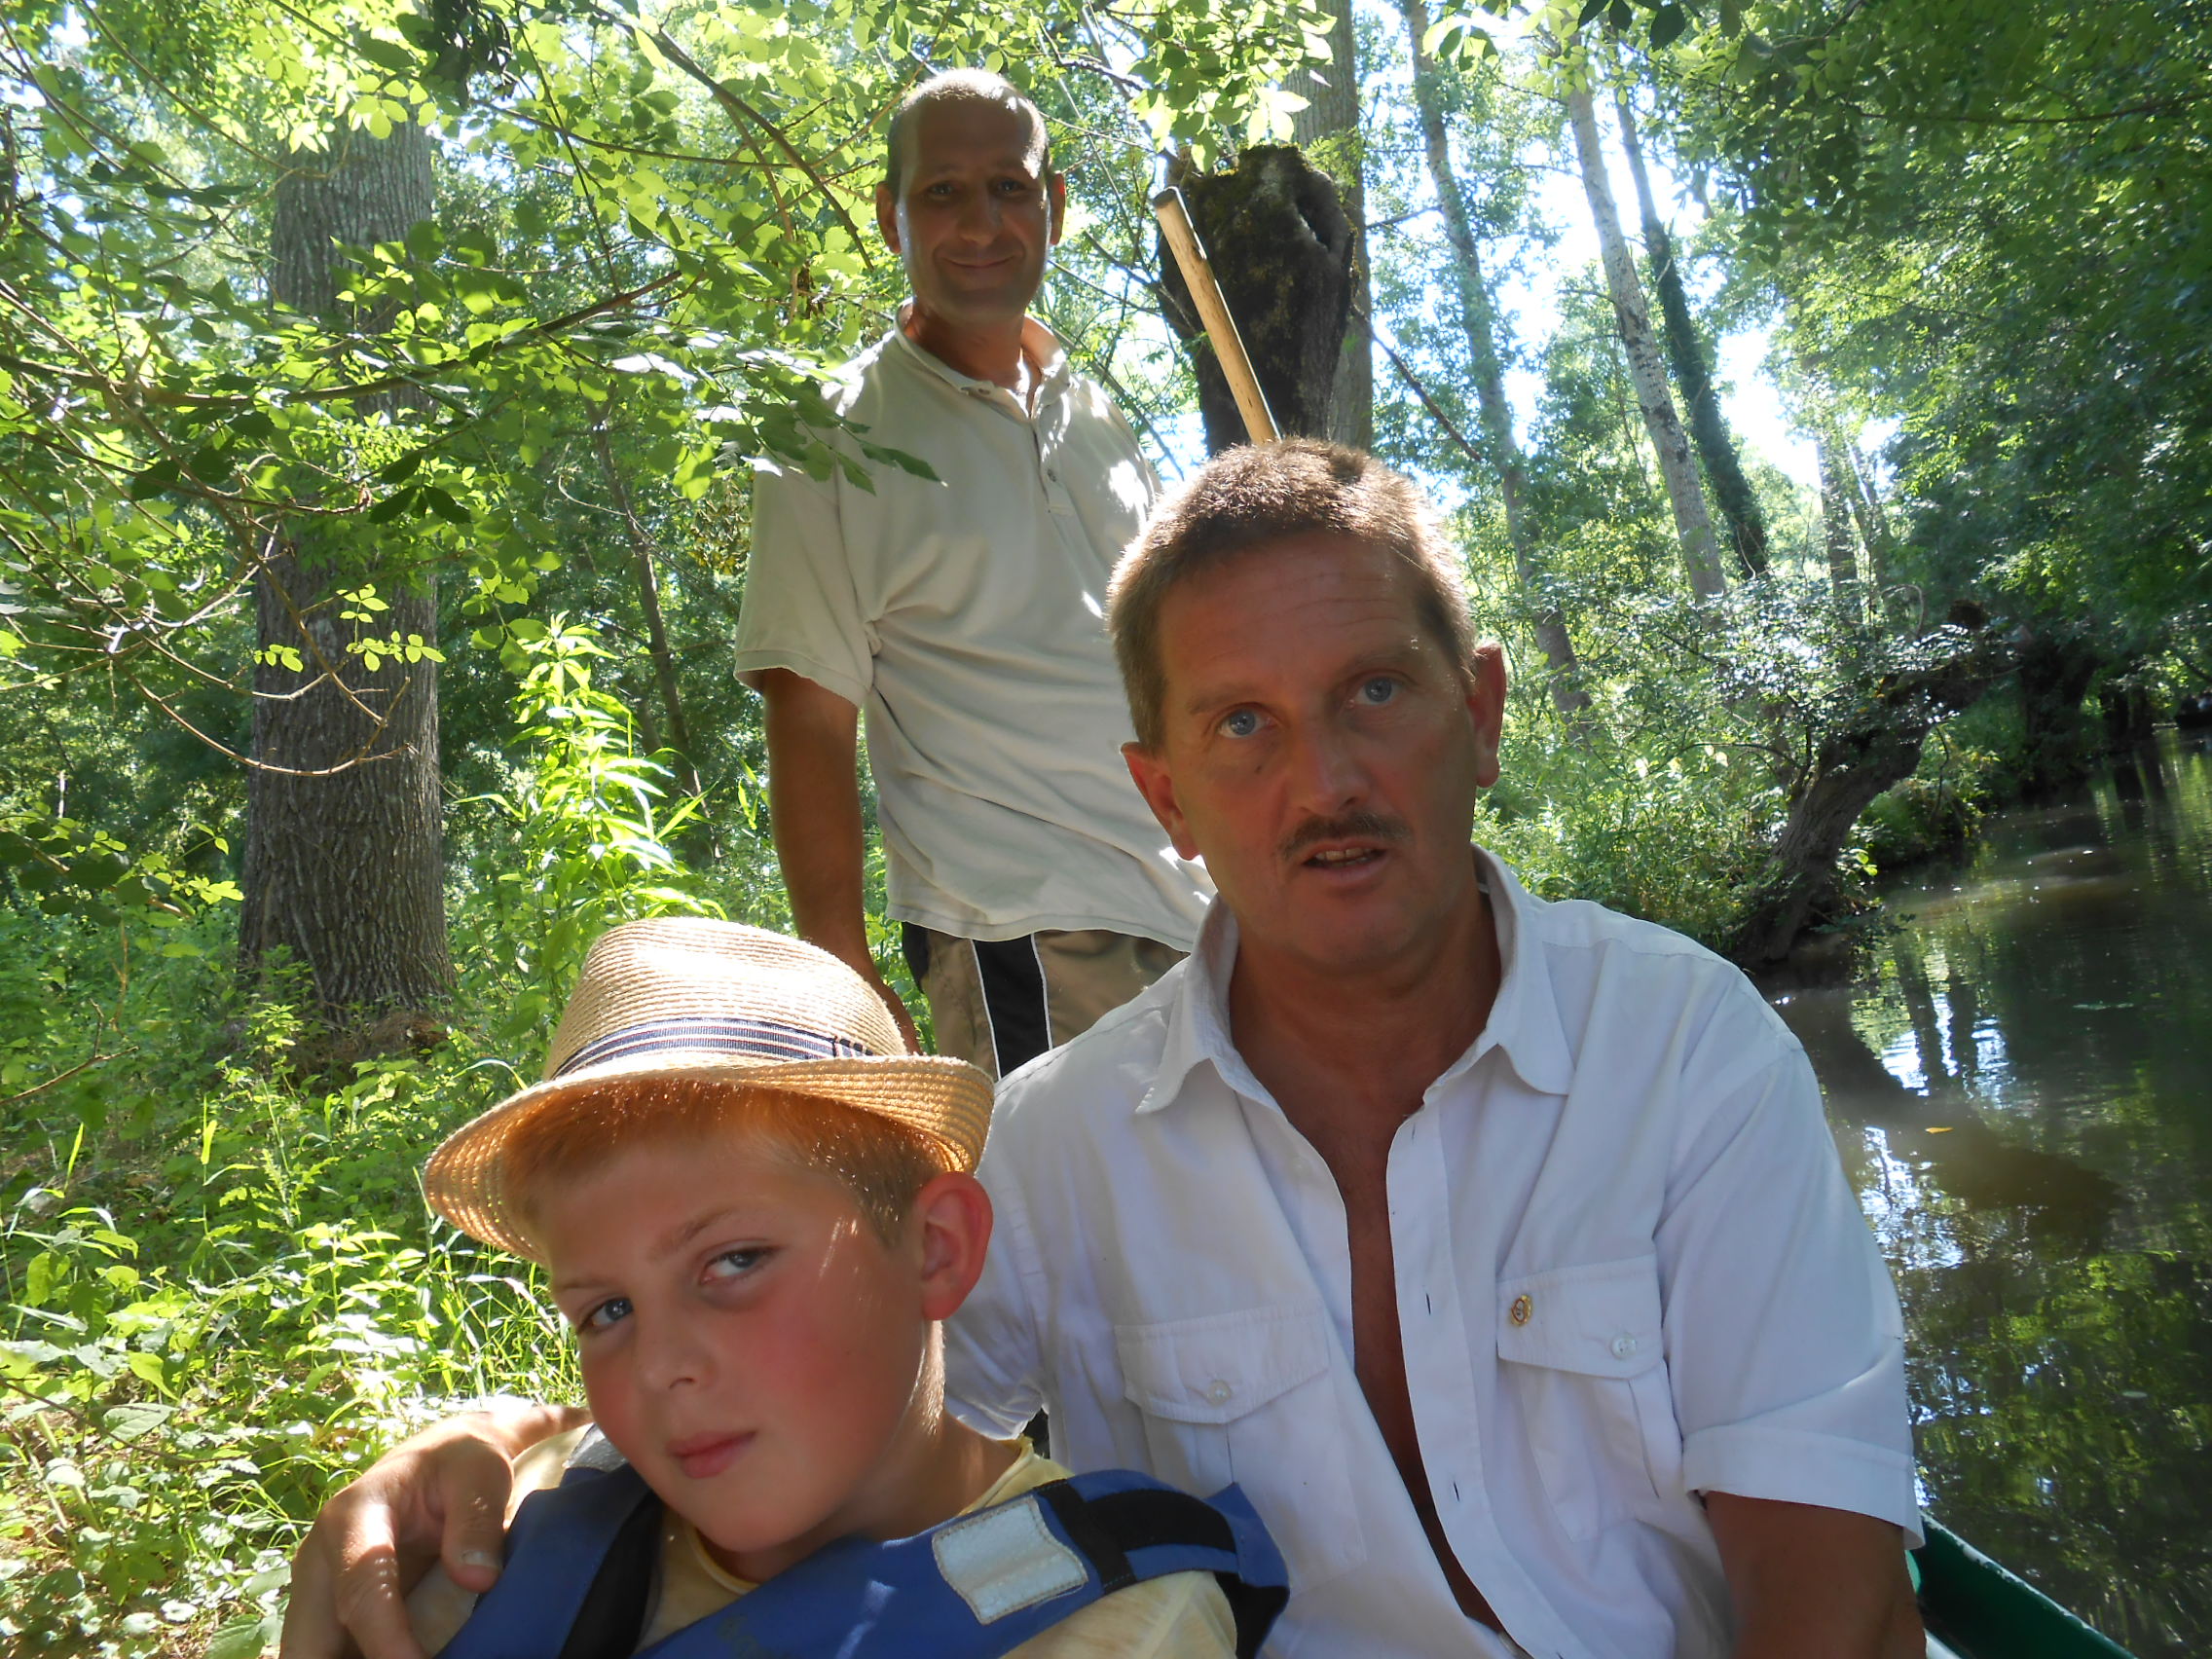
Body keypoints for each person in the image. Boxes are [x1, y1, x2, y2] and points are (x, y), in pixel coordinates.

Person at [282, 442, 1924, 1659]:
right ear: (1164, 799)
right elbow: (794, 1353)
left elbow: (1833, 1607)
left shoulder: (1687, 1048)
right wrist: (480, 1444)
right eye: (1240, 725)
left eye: (1373, 690)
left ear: (1480, 709)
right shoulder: (1055, 1146)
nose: (1323, 777)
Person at [389, 916, 1283, 1659]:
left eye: (733, 1263)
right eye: (607, 1311)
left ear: (935, 1249)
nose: (661, 1366)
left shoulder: (1118, 1629)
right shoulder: (507, 1523)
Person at [736, 68, 1207, 1078]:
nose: (980, 222)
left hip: (1202, 917)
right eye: (941, 192)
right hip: (1023, 931)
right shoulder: (828, 435)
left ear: (1056, 205)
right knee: (1084, 1236)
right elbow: (810, 718)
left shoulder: (1094, 413)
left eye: (1009, 186)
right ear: (889, 218)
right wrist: (841, 968)